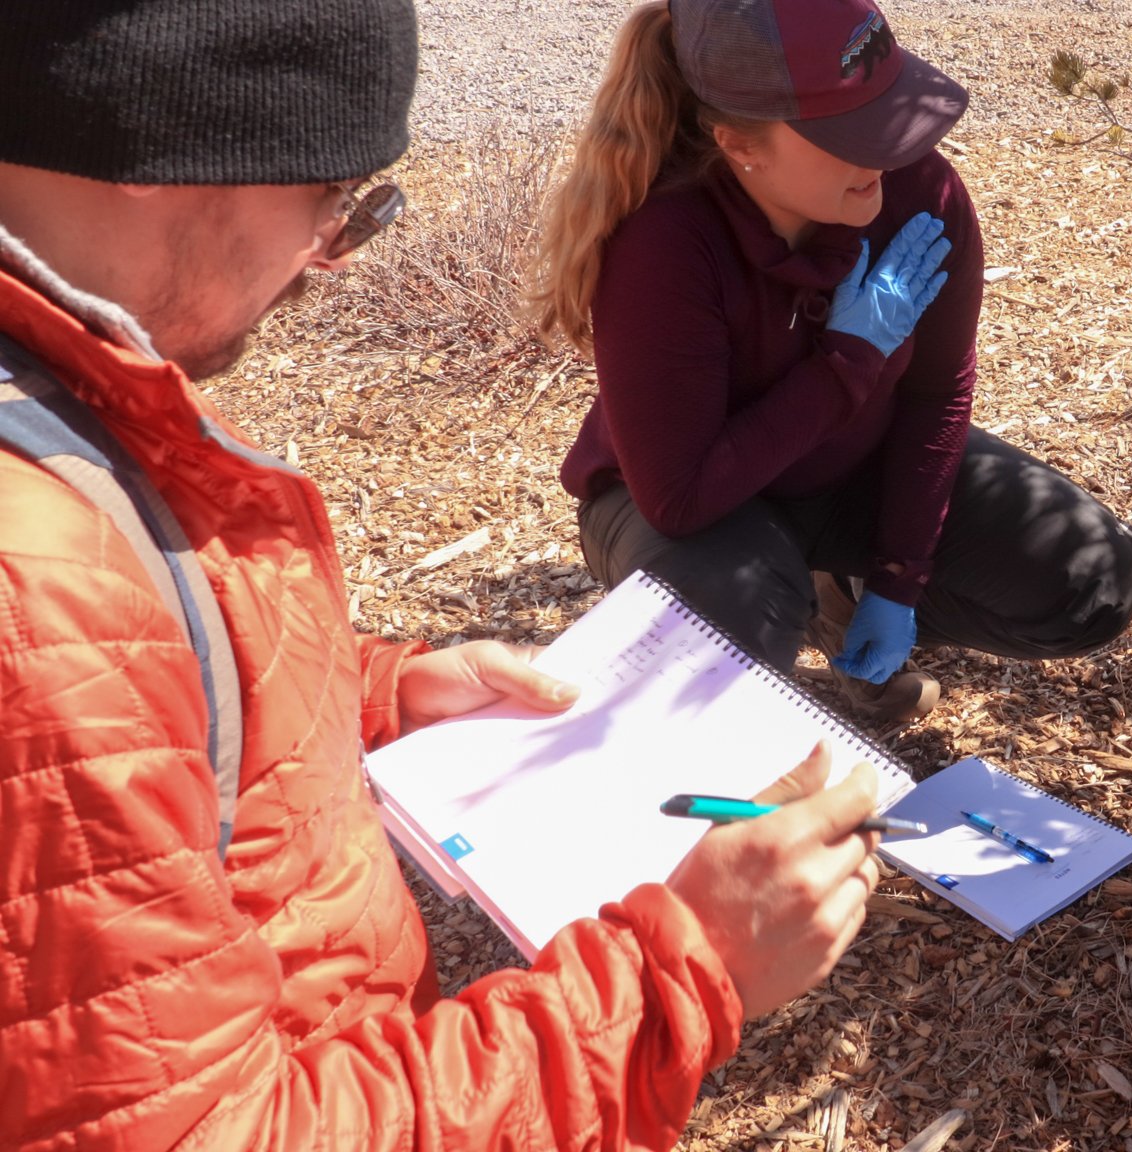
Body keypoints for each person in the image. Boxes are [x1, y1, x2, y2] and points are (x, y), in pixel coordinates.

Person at [0, 3, 886, 1149]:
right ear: (166, 142)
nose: (325, 260)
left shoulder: (70, 390)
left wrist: (374, 698)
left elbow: (136, 715)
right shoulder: (37, 588)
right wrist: (690, 964)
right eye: (334, 203)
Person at [528, 0, 1132, 721]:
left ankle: (840, 602)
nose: (886, 152)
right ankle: (736, 698)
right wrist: (847, 361)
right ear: (741, 145)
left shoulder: (920, 194)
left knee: (1087, 582)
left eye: (885, 113)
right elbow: (680, 495)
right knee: (729, 621)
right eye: (849, 133)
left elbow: (936, 392)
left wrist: (898, 578)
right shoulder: (666, 241)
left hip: (845, 464)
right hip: (690, 492)